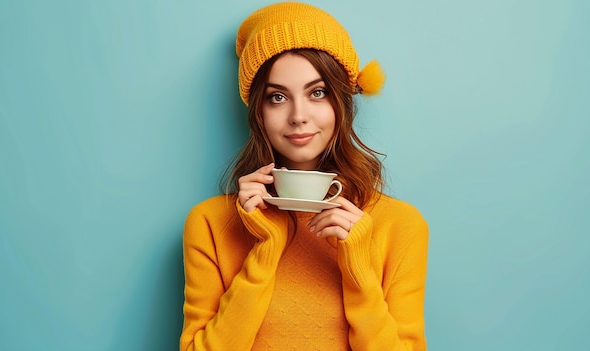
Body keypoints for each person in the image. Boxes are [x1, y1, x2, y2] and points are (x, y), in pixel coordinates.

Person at [179, 2, 428, 350]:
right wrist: (266, 251)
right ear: (258, 113)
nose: (299, 116)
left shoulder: (400, 226)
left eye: (317, 92)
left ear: (342, 101)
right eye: (277, 97)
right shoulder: (210, 223)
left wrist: (357, 266)